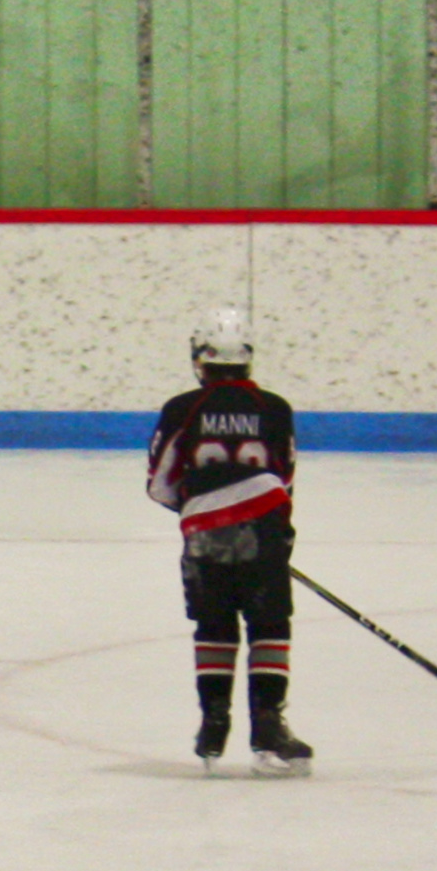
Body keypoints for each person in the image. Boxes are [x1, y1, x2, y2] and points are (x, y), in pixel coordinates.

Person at [146, 306, 312, 776]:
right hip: (263, 530)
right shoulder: (274, 408)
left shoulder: (182, 408)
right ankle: (269, 728)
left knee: (214, 624)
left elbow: (160, 484)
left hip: (204, 534)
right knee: (269, 623)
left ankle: (213, 725)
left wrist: (204, 512)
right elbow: (284, 477)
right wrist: (266, 529)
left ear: (201, 357)